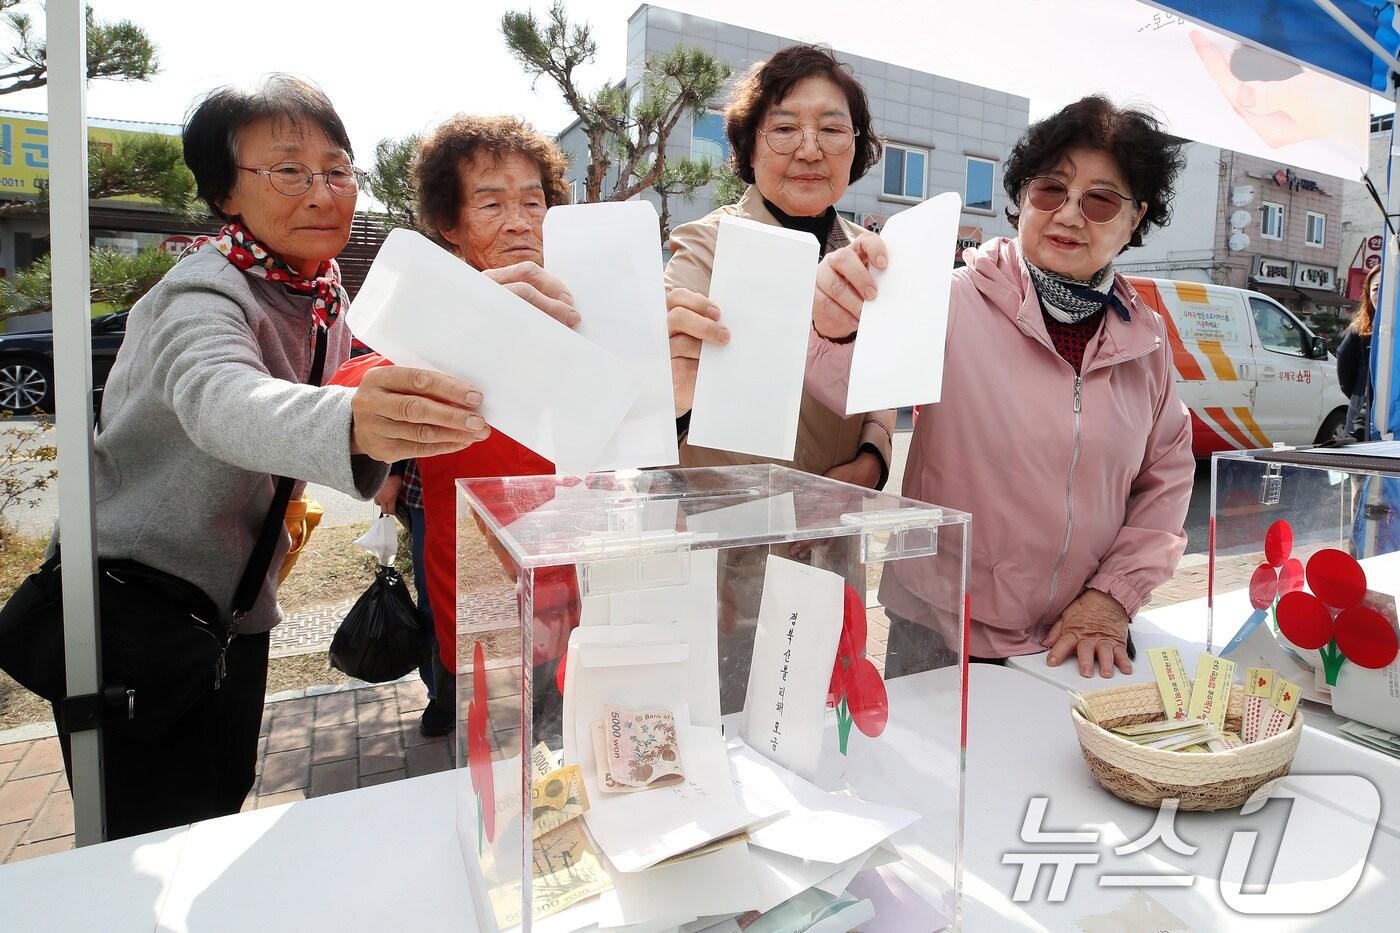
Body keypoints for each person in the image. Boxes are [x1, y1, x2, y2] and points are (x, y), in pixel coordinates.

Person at [41, 76, 570, 838]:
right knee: (150, 829)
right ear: (227, 192)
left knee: (219, 795)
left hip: (236, 603)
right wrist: (363, 416)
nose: (322, 193)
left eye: (338, 170)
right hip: (136, 607)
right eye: (289, 172)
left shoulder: (319, 293)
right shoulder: (202, 293)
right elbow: (223, 400)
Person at [808, 95, 1195, 679]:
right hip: (940, 630)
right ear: (1021, 198)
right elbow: (844, 388)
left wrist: (1114, 594)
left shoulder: (1146, 340)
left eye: (1099, 200)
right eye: (1050, 190)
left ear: (1134, 219)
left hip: (1078, 639)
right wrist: (832, 326)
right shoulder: (949, 299)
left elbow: (1165, 479)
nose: (1068, 214)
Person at [330, 115, 579, 741]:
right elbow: (344, 390)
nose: (520, 220)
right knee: (482, 724)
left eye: (533, 201)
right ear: (450, 223)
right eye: (491, 203)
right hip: (467, 550)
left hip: (565, 546)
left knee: (555, 706)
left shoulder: (583, 297)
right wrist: (473, 326)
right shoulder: (426, 305)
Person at [666, 44, 895, 488]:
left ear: (855, 148)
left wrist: (873, 456)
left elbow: (887, 378)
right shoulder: (705, 244)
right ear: (750, 148)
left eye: (832, 130)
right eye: (785, 128)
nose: (810, 152)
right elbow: (663, 388)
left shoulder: (872, 252)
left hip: (835, 530)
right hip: (731, 527)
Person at [1337, 265, 1379, 441]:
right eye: (1376, 288)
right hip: (1362, 410)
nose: (1382, 293)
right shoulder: (1359, 331)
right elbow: (1344, 370)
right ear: (1368, 294)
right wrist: (1359, 395)